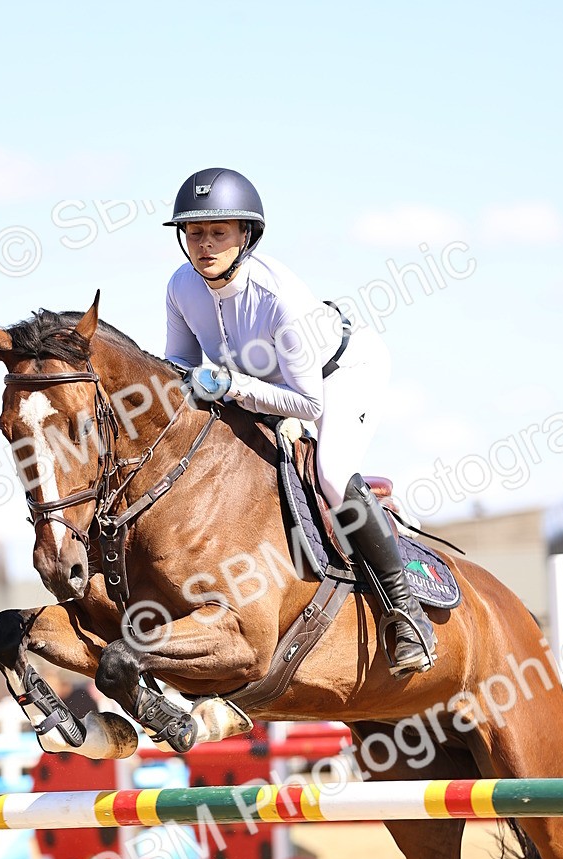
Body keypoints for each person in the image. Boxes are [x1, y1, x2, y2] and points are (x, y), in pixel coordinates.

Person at [163, 167, 435, 674]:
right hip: (264, 387)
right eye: (194, 233)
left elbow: (308, 403)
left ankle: (406, 612)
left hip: (341, 373)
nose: (204, 245)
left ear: (246, 236)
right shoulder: (181, 287)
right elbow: (178, 365)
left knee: (331, 473)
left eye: (218, 233)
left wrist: (231, 386)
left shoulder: (277, 296)